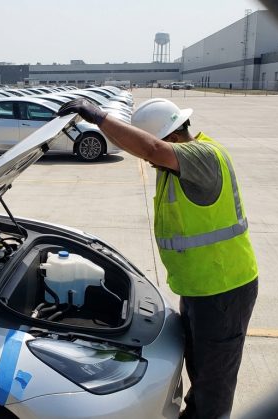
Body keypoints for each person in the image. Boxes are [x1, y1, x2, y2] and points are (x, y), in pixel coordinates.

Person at [57, 98, 258, 419]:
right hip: (200, 285)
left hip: (224, 289)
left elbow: (151, 149)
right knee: (200, 365)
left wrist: (100, 118)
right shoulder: (179, 163)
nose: (151, 164)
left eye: (155, 156)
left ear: (173, 138)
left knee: (215, 379)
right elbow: (147, 149)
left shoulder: (203, 156)